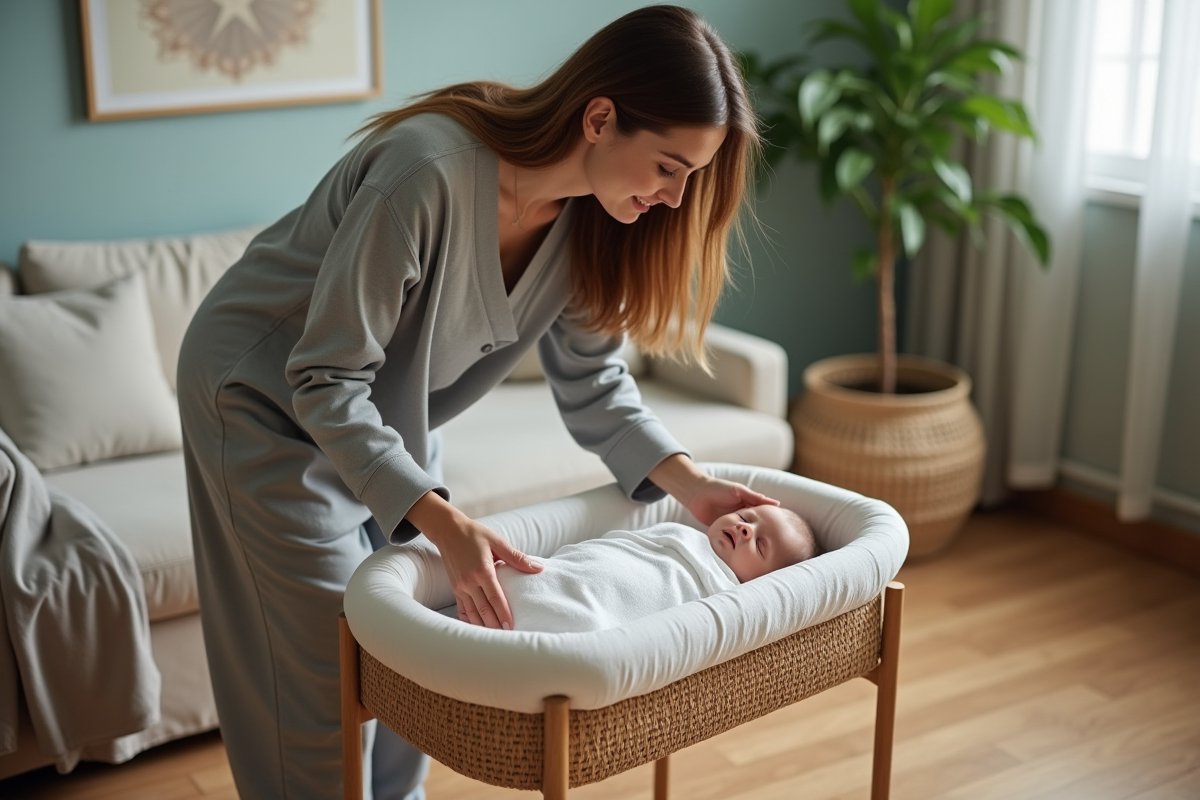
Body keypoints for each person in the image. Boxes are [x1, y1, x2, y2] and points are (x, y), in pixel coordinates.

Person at [177, 6, 770, 800]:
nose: (674, 197)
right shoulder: (425, 172)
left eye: (691, 177)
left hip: (384, 417)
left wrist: (690, 485)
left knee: (403, 648)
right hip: (262, 399)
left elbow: (594, 381)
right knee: (327, 663)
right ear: (601, 117)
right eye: (669, 166)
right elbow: (321, 378)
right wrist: (445, 520)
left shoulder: (594, 224)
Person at [498, 504, 820, 633]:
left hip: (593, 610)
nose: (745, 529)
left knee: (580, 625)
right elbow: (608, 549)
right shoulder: (680, 533)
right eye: (747, 517)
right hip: (570, 572)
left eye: (760, 545)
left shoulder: (728, 599)